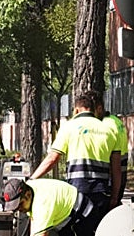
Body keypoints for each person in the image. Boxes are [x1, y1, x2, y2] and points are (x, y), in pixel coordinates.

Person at [30, 90, 122, 219]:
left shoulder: (69, 127)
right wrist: (114, 197)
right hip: (102, 192)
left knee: (78, 234)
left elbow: (52, 159)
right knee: (99, 233)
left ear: (76, 110)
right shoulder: (110, 130)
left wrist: (32, 179)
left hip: (77, 191)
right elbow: (116, 169)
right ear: (93, 109)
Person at [94, 97, 129, 202]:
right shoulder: (116, 121)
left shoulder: (104, 125)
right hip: (121, 172)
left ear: (99, 109)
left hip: (111, 174)